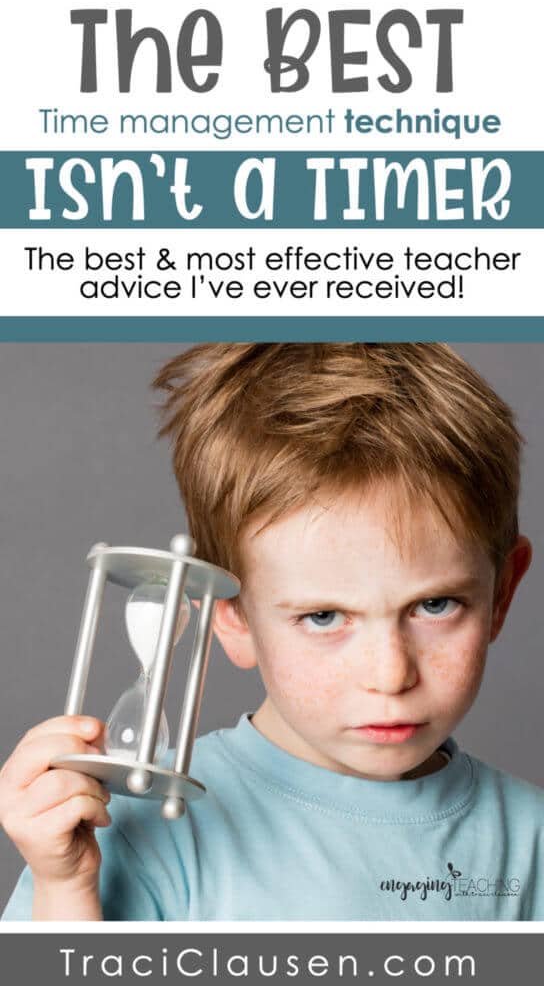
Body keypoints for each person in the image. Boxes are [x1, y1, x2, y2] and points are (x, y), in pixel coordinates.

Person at [1, 343, 541, 921]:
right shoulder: (128, 829)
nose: (390, 674)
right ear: (230, 616)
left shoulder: (528, 841)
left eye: (434, 605)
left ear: (501, 593)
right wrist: (66, 888)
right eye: (324, 617)